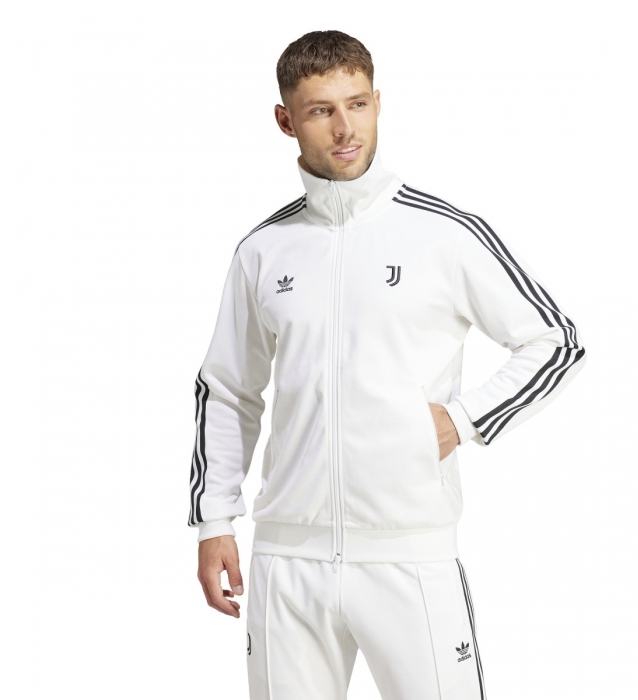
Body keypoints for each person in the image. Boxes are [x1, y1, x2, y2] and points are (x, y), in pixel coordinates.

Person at [188, 29, 587, 700]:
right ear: (286, 121)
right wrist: (215, 520)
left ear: (378, 102)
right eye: (321, 111)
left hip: (410, 555)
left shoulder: (444, 233)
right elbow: (228, 390)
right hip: (288, 560)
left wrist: (462, 420)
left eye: (358, 104)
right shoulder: (263, 249)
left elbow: (556, 342)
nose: (345, 128)